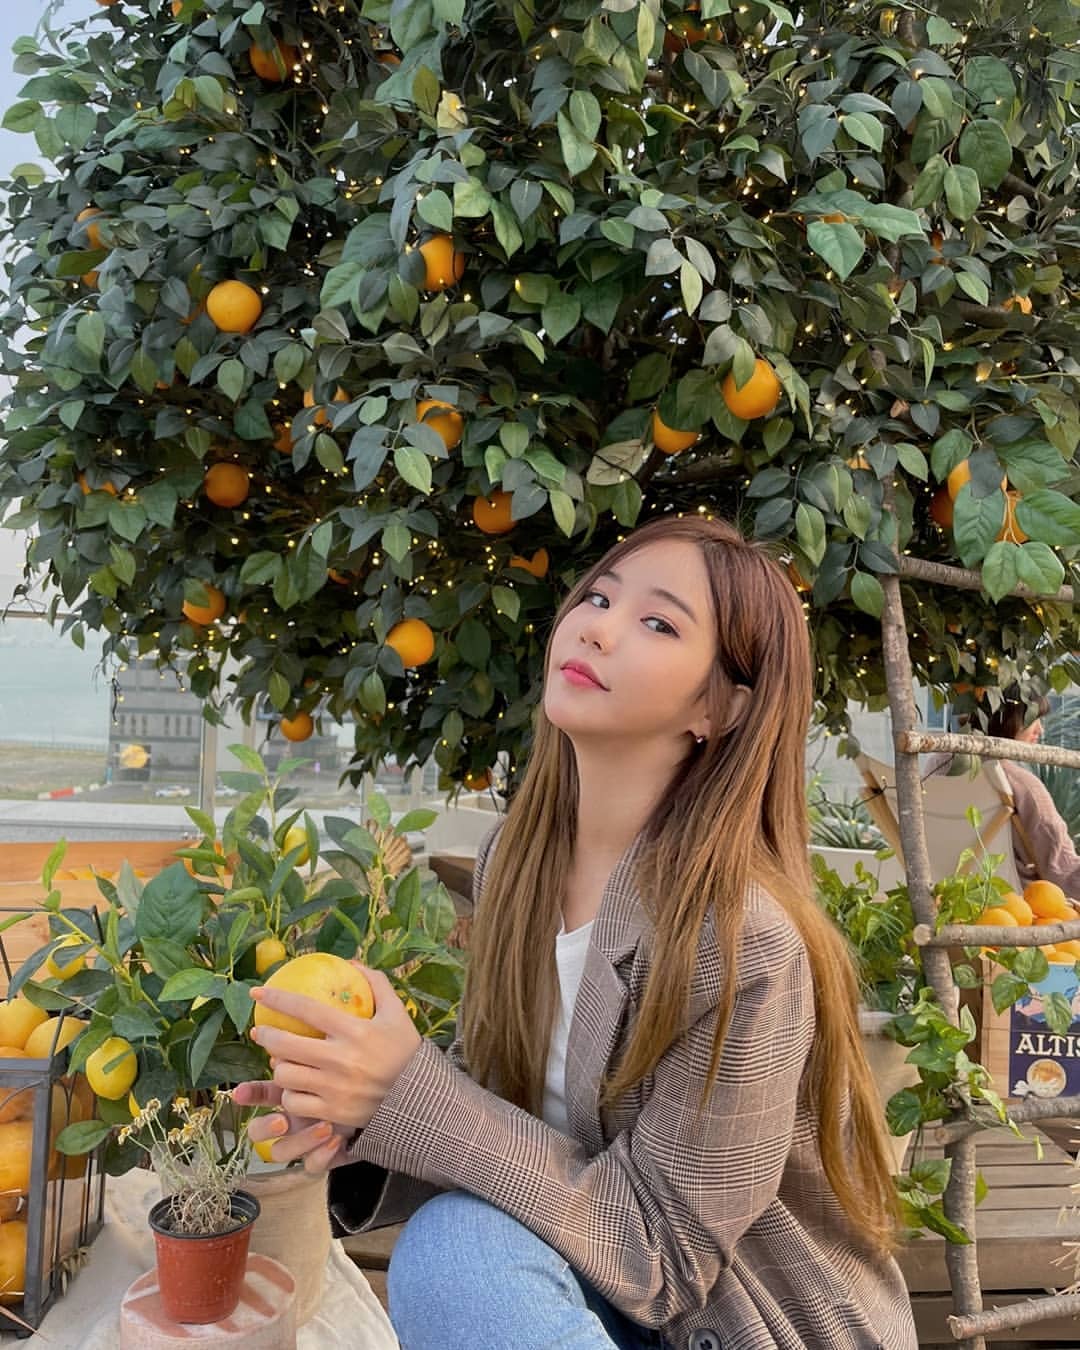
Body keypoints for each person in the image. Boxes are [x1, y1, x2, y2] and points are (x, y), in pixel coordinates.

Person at [233, 515, 917, 1350]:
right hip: (596, 1298)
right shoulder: (516, 864)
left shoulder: (740, 938)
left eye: (657, 622)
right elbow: (518, 1114)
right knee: (458, 1243)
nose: (598, 627)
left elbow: (664, 1252)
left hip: (737, 1321)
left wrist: (410, 1093)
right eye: (598, 598)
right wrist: (363, 1116)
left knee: (454, 1251)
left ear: (721, 706)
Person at [927, 690, 1080, 897]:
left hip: (946, 895)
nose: (1040, 729)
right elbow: (1062, 870)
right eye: (1034, 719)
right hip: (1016, 904)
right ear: (1010, 720)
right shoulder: (1022, 786)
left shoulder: (937, 767)